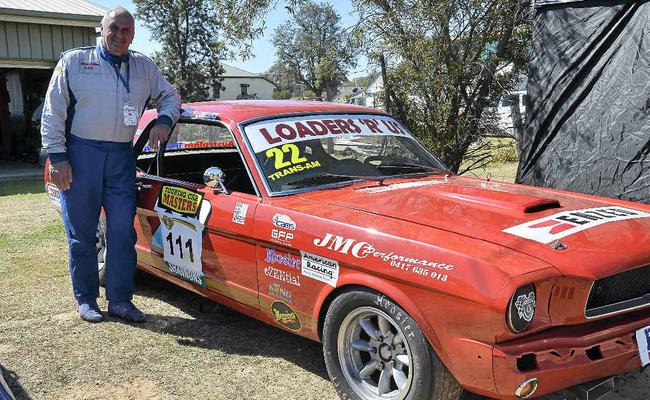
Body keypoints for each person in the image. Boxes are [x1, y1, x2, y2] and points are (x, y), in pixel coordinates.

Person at [41, 7, 180, 323]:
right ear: (100, 29)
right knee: (83, 233)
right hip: (80, 156)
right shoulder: (75, 62)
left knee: (121, 232)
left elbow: (170, 96)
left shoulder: (144, 66)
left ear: (134, 34)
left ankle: (120, 299)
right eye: (114, 28)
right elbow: (53, 113)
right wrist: (59, 157)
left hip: (120, 157)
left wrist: (165, 120)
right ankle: (87, 298)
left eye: (127, 31)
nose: (120, 36)